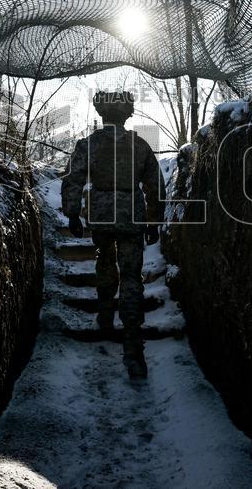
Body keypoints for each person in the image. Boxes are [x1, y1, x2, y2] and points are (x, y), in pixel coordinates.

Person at [61, 90, 163, 379]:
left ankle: (105, 315)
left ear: (101, 113)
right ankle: (133, 347)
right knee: (131, 276)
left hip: (102, 217)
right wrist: (153, 222)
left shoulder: (88, 144)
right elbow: (155, 185)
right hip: (132, 218)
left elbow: (73, 179)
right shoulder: (140, 145)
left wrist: (72, 213)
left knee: (104, 262)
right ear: (128, 114)